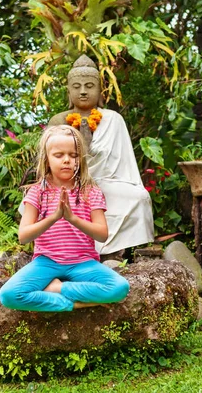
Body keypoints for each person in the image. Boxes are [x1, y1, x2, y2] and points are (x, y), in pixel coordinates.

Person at [0, 125, 130, 312]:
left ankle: (56, 289)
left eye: (73, 155)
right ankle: (70, 304)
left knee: (119, 288)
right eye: (59, 155)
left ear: (80, 160)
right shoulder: (37, 192)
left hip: (82, 263)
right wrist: (54, 218)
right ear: (46, 160)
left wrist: (72, 218)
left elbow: (102, 235)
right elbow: (24, 236)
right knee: (9, 295)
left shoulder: (90, 191)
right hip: (47, 262)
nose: (67, 160)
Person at [49, 55, 154, 258]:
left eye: (89, 86)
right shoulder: (59, 120)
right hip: (68, 181)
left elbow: (123, 165)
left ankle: (113, 252)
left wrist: (91, 145)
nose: (83, 91)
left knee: (139, 197)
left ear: (100, 91)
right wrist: (81, 145)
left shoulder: (112, 120)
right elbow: (48, 159)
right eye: (77, 86)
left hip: (105, 182)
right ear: (69, 92)